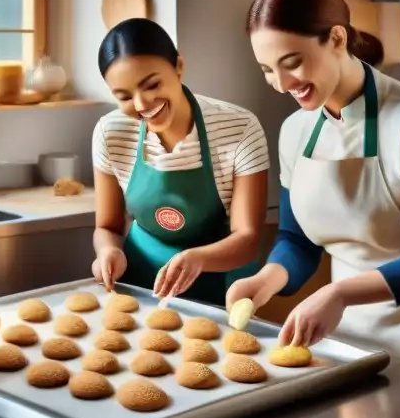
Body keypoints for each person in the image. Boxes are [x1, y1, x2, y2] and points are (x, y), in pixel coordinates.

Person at [226, 0, 400, 357]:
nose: (281, 84)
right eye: (267, 69)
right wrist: (266, 280)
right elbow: (297, 242)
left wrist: (340, 293)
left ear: (336, 39)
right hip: (349, 336)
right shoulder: (295, 131)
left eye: (292, 62)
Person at [91, 17, 270, 304]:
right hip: (140, 285)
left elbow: (247, 240)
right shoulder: (110, 132)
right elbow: (108, 227)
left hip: (221, 285)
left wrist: (197, 259)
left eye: (151, 85)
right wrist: (108, 252)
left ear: (179, 67)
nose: (141, 105)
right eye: (124, 96)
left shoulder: (239, 127)